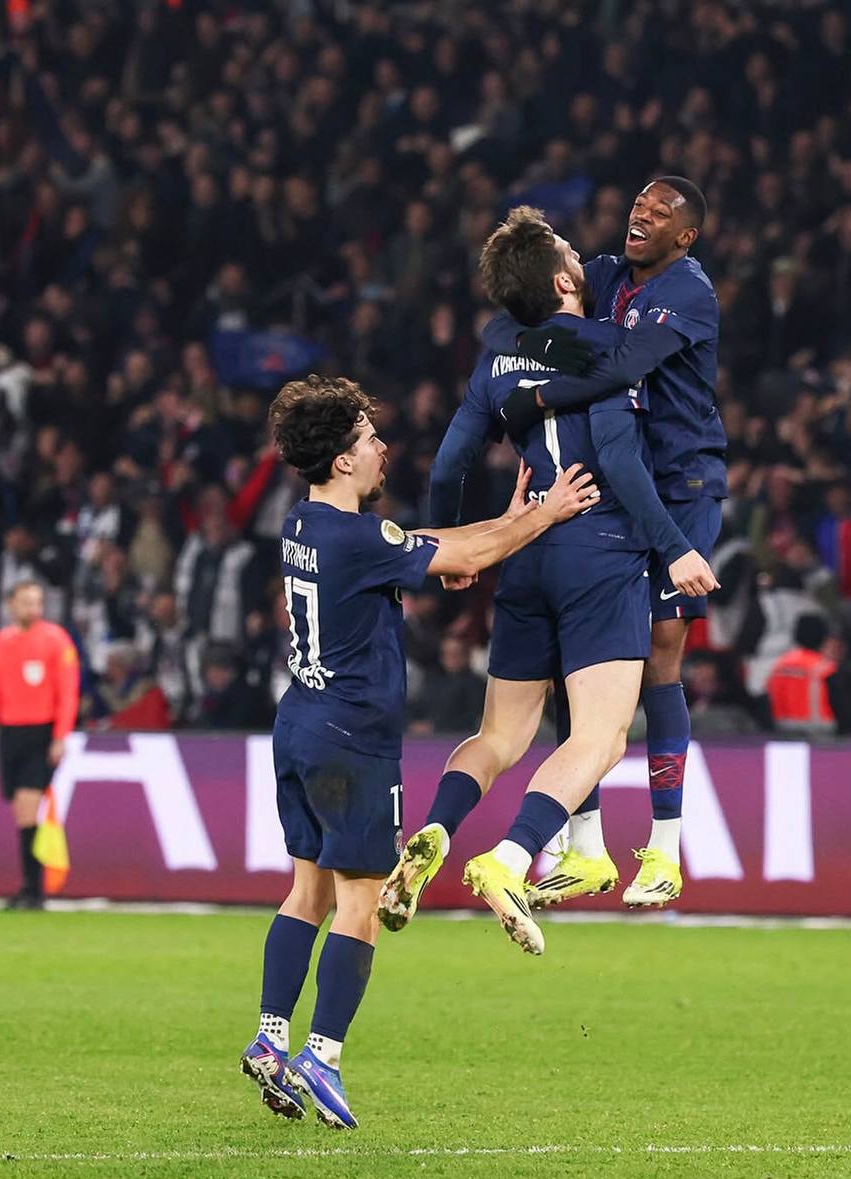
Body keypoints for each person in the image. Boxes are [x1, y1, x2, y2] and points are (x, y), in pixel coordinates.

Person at [238, 373, 599, 1129]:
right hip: (353, 742)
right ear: (342, 460)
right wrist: (543, 513)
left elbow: (433, 549)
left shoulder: (304, 524)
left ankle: (271, 1038)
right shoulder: (358, 538)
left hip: (300, 725)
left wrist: (499, 527)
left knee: (308, 892)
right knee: (362, 903)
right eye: (370, 439)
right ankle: (322, 1056)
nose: (382, 449)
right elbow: (454, 549)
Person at [378, 207, 716, 954]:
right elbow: (619, 457)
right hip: (600, 551)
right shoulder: (604, 348)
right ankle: (510, 856)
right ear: (565, 281)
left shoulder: (498, 357)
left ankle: (436, 831)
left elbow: (449, 465)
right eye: (570, 251)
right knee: (601, 737)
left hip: (526, 548)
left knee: (498, 736)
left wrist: (458, 548)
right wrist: (673, 547)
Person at [483, 176, 726, 906]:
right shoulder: (608, 274)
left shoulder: (688, 293)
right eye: (638, 205)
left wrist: (533, 395)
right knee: (582, 657)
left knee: (660, 653)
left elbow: (621, 366)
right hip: (620, 487)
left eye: (660, 212)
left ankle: (665, 849)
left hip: (680, 482)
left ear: (685, 236)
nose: (640, 215)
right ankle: (586, 846)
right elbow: (531, 304)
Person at [0, 580, 79, 908]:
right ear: (11, 605)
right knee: (20, 811)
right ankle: (30, 888)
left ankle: (34, 889)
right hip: (10, 733)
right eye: (26, 602)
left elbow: (68, 693)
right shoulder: (2, 641)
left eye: (37, 602)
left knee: (28, 806)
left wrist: (60, 736)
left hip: (40, 732)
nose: (33, 609)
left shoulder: (55, 640)